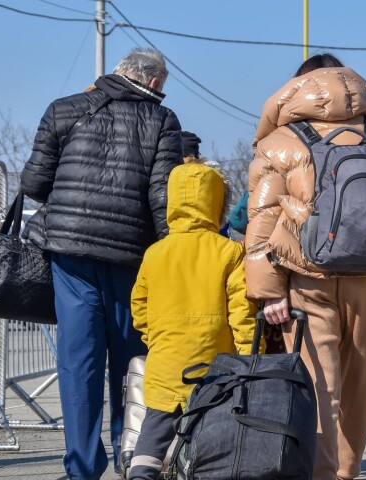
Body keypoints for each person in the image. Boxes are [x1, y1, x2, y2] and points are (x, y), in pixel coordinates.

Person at [245, 53, 366, 480]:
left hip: (308, 277)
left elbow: (263, 217)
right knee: (362, 390)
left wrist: (269, 291)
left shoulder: (279, 141)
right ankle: (347, 471)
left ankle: (322, 474)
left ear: (296, 89)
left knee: (319, 387)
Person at [20, 48, 182, 479]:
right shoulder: (162, 121)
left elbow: (34, 183)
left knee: (79, 362)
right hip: (131, 258)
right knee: (132, 363)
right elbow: (164, 200)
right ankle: (132, 457)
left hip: (71, 255)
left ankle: (82, 468)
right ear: (152, 82)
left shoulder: (64, 108)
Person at [129, 163, 257, 480]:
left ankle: (140, 473)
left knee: (154, 431)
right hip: (214, 368)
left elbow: (139, 308)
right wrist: (250, 358)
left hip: (165, 364)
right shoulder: (229, 252)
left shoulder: (155, 253)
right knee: (211, 434)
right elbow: (243, 313)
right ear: (217, 204)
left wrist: (155, 339)